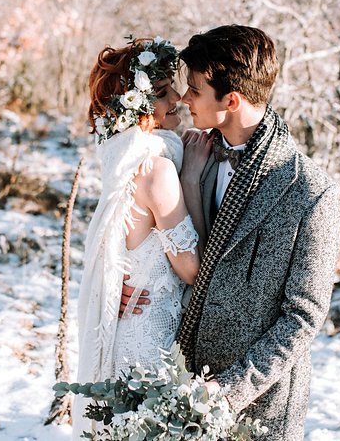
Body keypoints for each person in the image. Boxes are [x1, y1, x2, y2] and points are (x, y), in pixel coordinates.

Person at [123, 25, 340, 440]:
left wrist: (229, 390)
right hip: (179, 377)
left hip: (261, 404)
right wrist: (128, 285)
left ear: (232, 100)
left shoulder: (311, 192)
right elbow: (158, 236)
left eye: (196, 90)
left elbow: (303, 317)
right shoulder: (191, 154)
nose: (185, 100)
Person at [73, 36, 211, 439]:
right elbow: (189, 269)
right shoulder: (157, 170)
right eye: (167, 94)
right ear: (143, 104)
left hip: (132, 326)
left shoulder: (127, 158)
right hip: (152, 335)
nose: (180, 101)